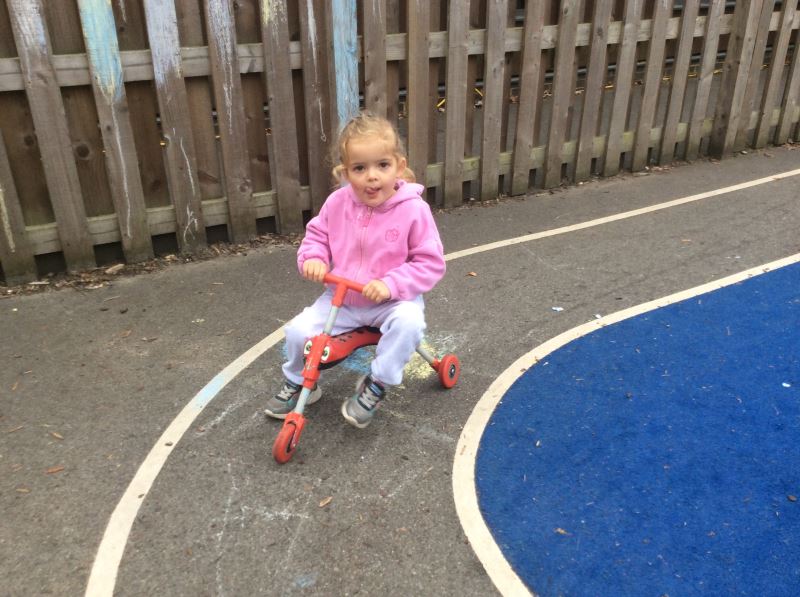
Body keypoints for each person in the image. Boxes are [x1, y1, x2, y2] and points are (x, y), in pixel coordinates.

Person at [264, 112, 446, 428]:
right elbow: (317, 235)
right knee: (297, 331)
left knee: (409, 324)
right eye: (360, 168)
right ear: (346, 172)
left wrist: (391, 284)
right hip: (343, 300)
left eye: (382, 165)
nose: (371, 177)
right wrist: (313, 258)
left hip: (391, 301)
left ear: (399, 166)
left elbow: (429, 262)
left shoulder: (414, 211)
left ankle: (376, 384)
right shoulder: (338, 203)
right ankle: (298, 380)